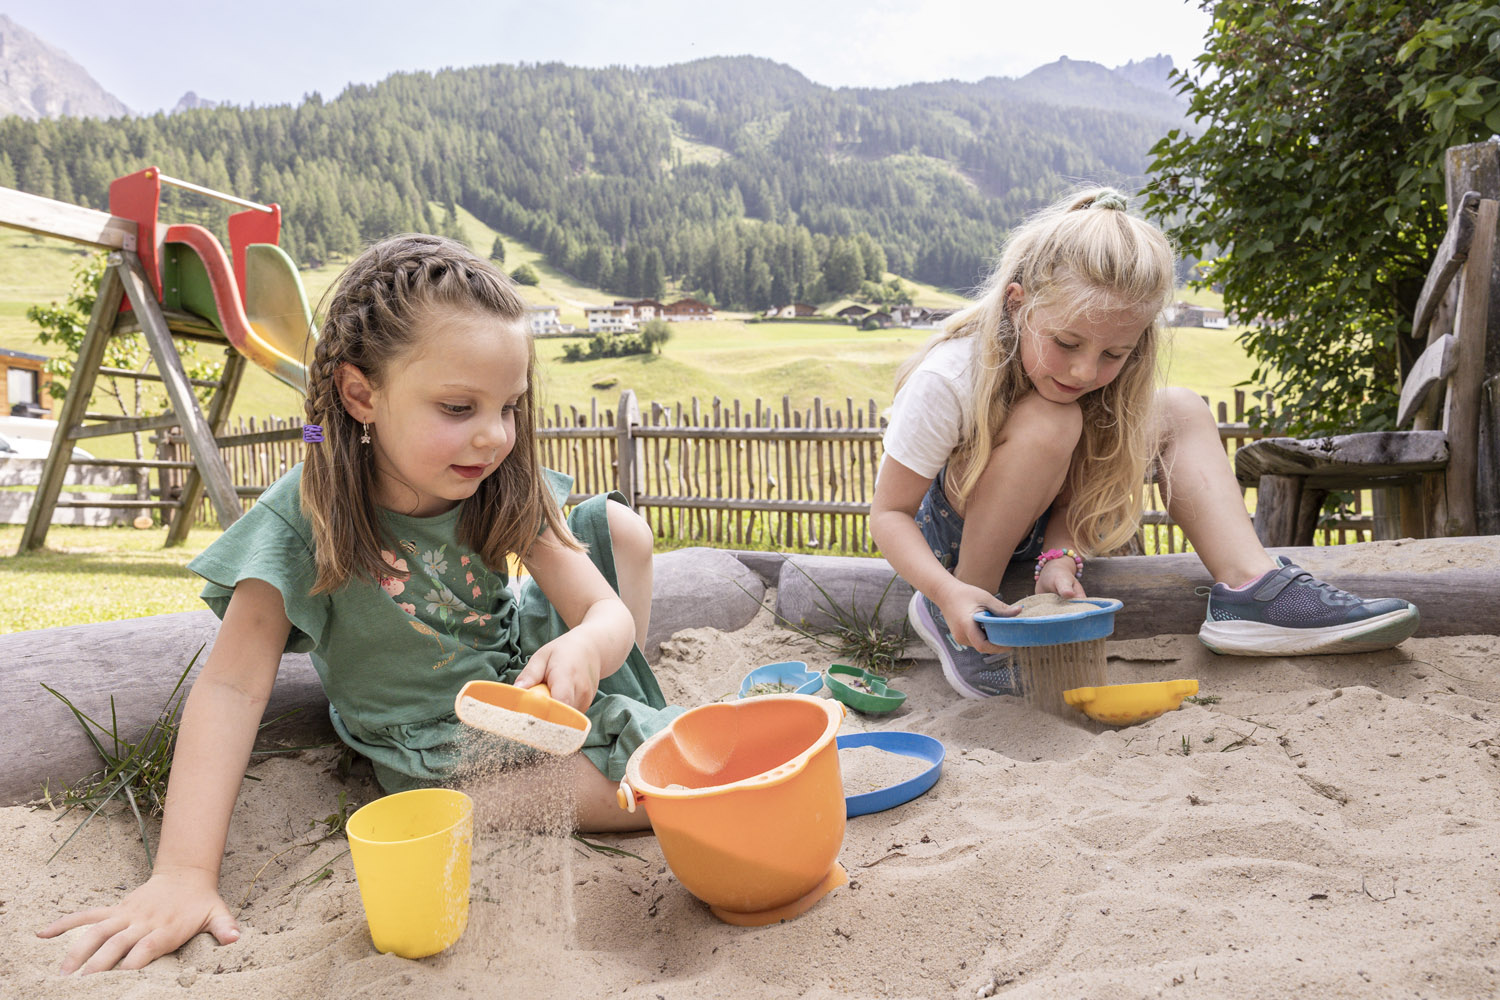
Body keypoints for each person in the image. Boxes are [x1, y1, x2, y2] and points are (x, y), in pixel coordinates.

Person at [39, 234, 679, 973]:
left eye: (509, 407)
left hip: (515, 668)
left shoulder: (500, 480)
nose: (494, 435)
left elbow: (607, 615)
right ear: (360, 394)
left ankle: (616, 701)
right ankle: (530, 776)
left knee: (620, 528)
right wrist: (184, 874)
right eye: (458, 406)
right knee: (651, 788)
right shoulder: (307, 517)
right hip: (435, 736)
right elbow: (232, 684)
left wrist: (586, 647)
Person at [869, 189, 1419, 699]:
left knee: (1178, 408)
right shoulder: (949, 376)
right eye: (1066, 343)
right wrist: (948, 592)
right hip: (951, 542)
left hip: (1032, 523)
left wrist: (1060, 554)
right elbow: (890, 513)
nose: (1087, 370)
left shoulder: (1099, 381)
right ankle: (970, 622)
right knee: (1051, 421)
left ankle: (1253, 589)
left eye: (1114, 354)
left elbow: (1083, 479)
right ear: (1017, 304)